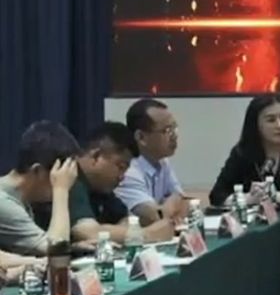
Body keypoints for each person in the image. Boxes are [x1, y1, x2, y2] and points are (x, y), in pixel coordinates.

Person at [36, 122, 175, 245]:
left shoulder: (101, 187)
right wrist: (146, 235)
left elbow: (126, 221)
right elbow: (88, 232)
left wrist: (116, 232)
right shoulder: (70, 176)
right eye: (120, 166)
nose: (122, 176)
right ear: (96, 156)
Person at [210, 94, 280, 207]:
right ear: (255, 124)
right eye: (271, 120)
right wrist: (248, 198)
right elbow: (217, 196)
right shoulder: (242, 154)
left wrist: (272, 195)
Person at [0, 121, 79, 256]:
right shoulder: (3, 202)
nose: (67, 185)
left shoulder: (20, 198)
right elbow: (56, 252)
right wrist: (61, 190)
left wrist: (76, 247)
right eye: (58, 177)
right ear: (37, 171)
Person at [118, 98, 189, 226]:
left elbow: (183, 201)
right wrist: (172, 201)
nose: (174, 136)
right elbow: (155, 216)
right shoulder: (127, 171)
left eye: (174, 128)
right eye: (167, 131)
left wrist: (173, 201)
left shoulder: (162, 161)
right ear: (141, 137)